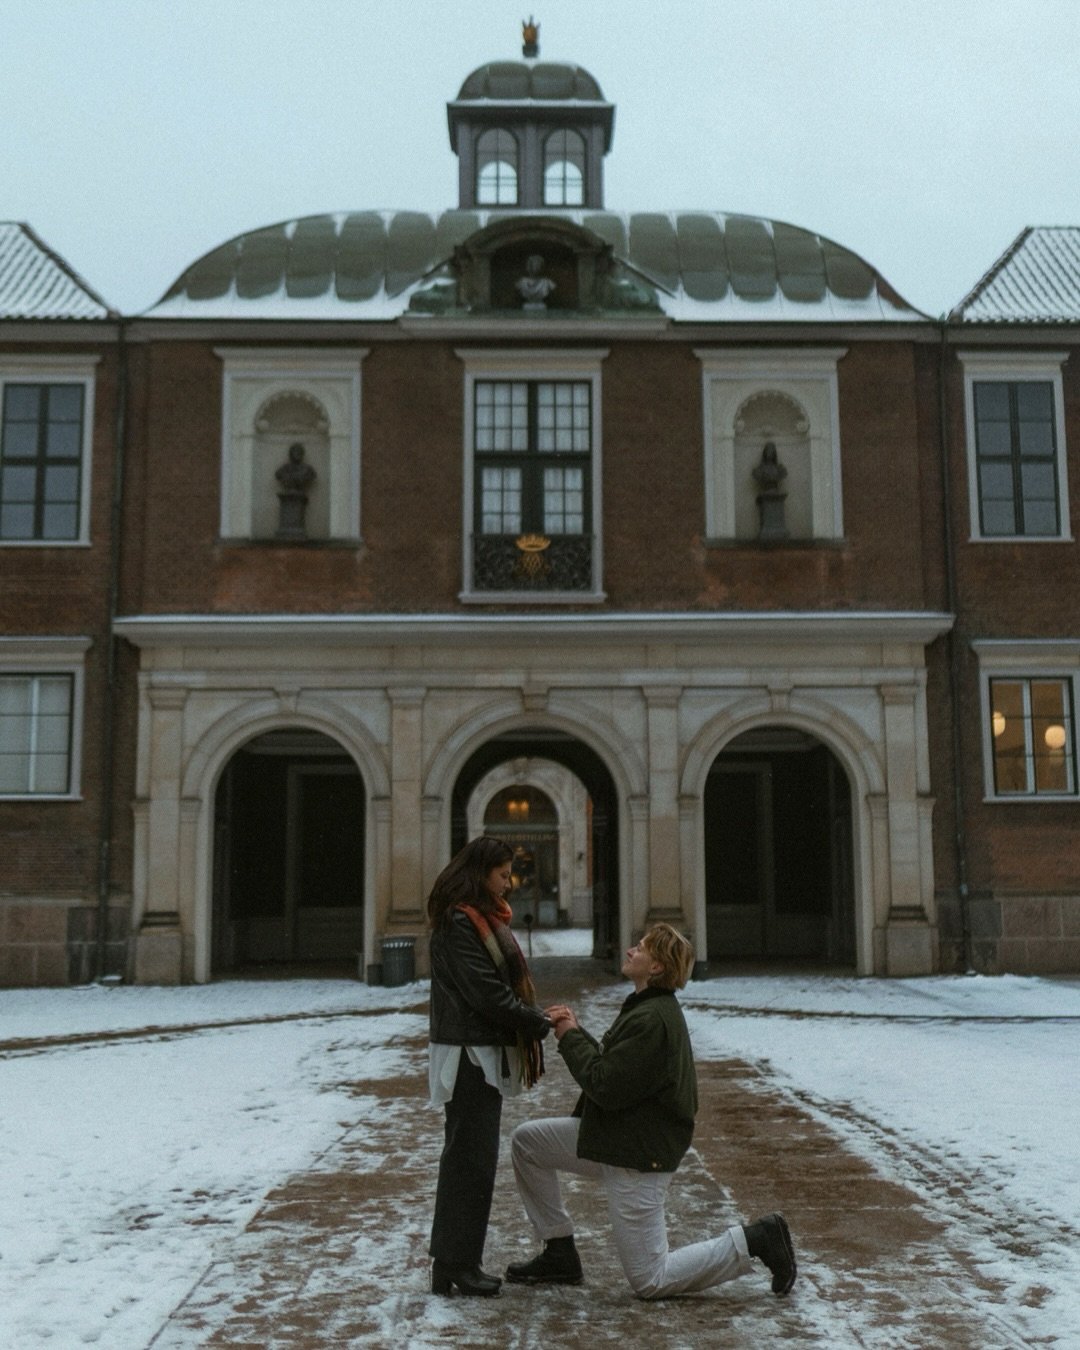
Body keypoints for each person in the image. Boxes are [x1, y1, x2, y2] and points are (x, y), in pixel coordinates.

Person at [506, 922, 797, 1300]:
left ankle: (756, 1239)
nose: (630, 951)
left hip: (639, 1154)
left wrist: (570, 1036)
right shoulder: (649, 1008)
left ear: (656, 968)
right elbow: (618, 1072)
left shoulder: (652, 1019)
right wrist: (575, 1030)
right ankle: (559, 1252)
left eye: (640, 948)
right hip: (619, 1136)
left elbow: (606, 1087)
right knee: (527, 1143)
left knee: (651, 1280)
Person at [427, 835, 551, 1297]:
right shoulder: (463, 921)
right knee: (469, 1161)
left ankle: (456, 1262)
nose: (508, 882)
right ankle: (456, 1263)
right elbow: (484, 992)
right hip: (468, 1054)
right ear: (481, 873)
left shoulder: (473, 918)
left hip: (473, 1050)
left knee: (471, 1159)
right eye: (502, 874)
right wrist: (533, 1021)